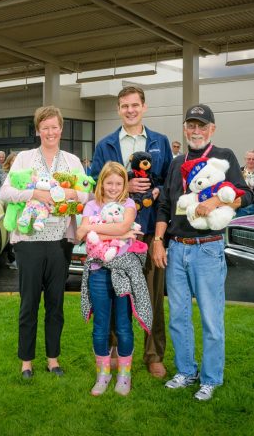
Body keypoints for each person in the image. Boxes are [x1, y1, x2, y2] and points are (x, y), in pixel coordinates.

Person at [153, 103, 252, 401]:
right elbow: (164, 207)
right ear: (185, 128)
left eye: (202, 126)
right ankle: (185, 371)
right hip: (177, 248)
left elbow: (244, 195)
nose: (196, 131)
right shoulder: (176, 162)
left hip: (207, 249)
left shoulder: (224, 156)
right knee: (178, 317)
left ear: (212, 129)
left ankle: (210, 378)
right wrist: (158, 239)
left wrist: (217, 203)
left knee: (210, 318)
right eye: (191, 125)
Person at [0, 105, 92, 378]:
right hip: (28, 241)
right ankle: (26, 361)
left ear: (61, 129)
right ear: (38, 130)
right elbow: (5, 191)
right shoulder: (25, 159)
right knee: (29, 303)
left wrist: (72, 195)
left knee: (55, 303)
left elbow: (86, 193)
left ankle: (53, 359)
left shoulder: (73, 161)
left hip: (60, 241)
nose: (50, 132)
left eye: (55, 127)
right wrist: (33, 195)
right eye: (45, 127)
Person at [90, 85, 172, 379]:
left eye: (135, 105)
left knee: (151, 296)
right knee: (114, 293)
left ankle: (153, 354)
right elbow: (95, 186)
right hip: (115, 236)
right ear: (119, 109)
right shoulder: (106, 145)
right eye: (125, 106)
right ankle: (113, 348)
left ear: (144, 107)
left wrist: (156, 189)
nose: (130, 110)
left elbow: (168, 186)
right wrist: (126, 184)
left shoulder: (160, 142)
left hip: (149, 231)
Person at [77, 161, 148, 396]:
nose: (114, 187)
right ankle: (103, 375)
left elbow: (125, 227)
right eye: (109, 183)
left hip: (123, 271)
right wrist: (118, 231)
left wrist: (96, 229)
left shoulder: (128, 204)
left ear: (124, 185)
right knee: (100, 327)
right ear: (102, 183)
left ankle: (124, 376)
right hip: (98, 270)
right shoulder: (90, 205)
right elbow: (80, 233)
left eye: (119, 183)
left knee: (124, 326)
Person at [2, 152, 18, 270]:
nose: (15, 162)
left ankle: (16, 260)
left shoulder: (23, 175)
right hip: (7, 206)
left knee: (17, 233)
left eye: (17, 160)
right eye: (13, 160)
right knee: (9, 233)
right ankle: (12, 258)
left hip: (18, 206)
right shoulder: (5, 175)